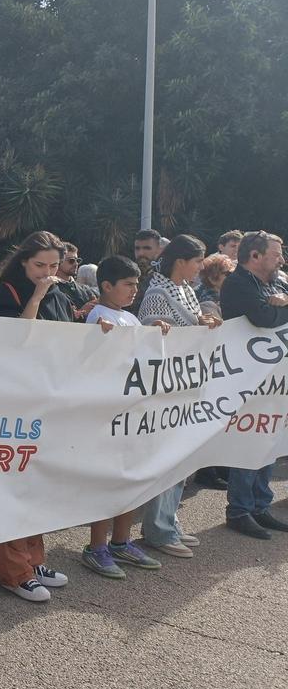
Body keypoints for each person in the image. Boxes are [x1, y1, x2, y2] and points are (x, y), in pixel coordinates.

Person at [0, 231, 72, 602]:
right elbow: (16, 340)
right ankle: (13, 572)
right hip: (12, 400)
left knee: (36, 483)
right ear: (23, 261)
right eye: (39, 265)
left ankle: (34, 561)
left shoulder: (60, 294)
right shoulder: (7, 292)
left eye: (53, 265)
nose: (47, 272)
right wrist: (36, 296)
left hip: (45, 398)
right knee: (12, 484)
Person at [79, 256, 168, 578]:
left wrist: (155, 333)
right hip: (108, 412)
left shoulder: (129, 317)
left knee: (130, 477)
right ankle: (96, 547)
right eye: (128, 284)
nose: (134, 290)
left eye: (136, 284)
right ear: (106, 285)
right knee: (108, 481)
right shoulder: (97, 316)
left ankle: (121, 541)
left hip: (132, 411)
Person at [135, 235, 220, 557]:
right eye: (197, 261)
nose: (200, 267)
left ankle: (168, 520)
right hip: (166, 388)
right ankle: (158, 528)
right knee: (167, 459)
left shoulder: (185, 289)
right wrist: (195, 327)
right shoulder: (158, 292)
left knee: (180, 460)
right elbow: (154, 339)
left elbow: (188, 329)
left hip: (184, 386)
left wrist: (204, 324)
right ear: (181, 261)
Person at [218, 231, 288, 540]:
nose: (282, 260)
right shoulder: (237, 283)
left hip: (272, 379)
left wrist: (284, 301)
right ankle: (240, 510)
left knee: (269, 440)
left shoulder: (274, 282)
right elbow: (263, 317)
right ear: (255, 256)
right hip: (247, 378)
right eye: (276, 254)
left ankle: (260, 505)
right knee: (249, 441)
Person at [56, 242, 97, 319]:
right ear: (58, 262)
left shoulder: (85, 289)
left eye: (77, 260)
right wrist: (80, 312)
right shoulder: (50, 288)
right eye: (71, 261)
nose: (76, 264)